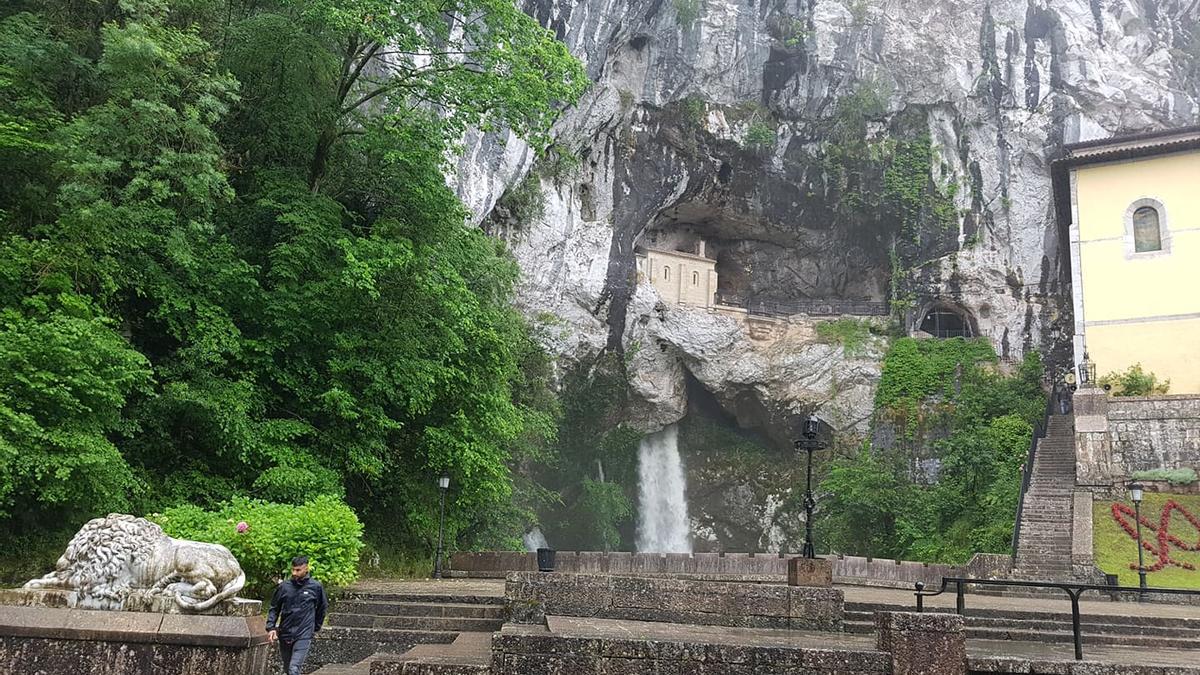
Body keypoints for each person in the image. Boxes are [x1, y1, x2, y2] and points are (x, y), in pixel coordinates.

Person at [267, 556, 328, 675]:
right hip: (285, 633)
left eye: (298, 570)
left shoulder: (316, 587)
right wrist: (271, 627)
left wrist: (315, 627)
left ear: (306, 569)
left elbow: (322, 608)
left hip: (304, 633)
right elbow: (274, 608)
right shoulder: (284, 587)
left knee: (294, 668)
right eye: (293, 570)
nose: (294, 573)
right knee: (288, 668)